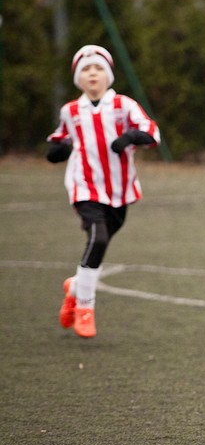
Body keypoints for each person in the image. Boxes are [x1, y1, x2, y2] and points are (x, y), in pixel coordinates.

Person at [45, 44, 161, 339]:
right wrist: (59, 151)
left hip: (120, 190)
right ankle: (85, 307)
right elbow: (57, 142)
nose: (93, 74)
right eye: (86, 69)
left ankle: (75, 287)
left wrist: (130, 137)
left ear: (108, 75)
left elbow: (152, 133)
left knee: (100, 242)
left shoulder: (123, 105)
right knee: (98, 238)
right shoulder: (71, 111)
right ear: (78, 78)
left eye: (98, 68)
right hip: (84, 186)